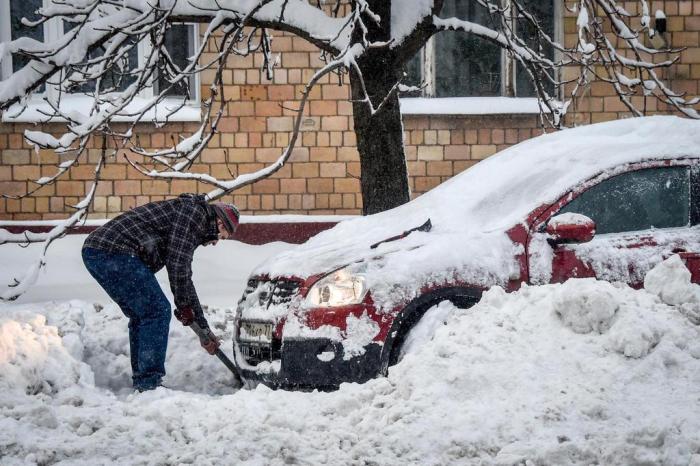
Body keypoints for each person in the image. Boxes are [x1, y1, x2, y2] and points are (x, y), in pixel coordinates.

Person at [81, 193, 240, 391]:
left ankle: (144, 380)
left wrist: (202, 326)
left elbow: (183, 276)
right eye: (220, 237)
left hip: (98, 252)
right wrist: (184, 308)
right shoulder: (194, 215)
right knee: (157, 310)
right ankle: (149, 384)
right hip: (113, 250)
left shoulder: (190, 215)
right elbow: (178, 267)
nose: (215, 242)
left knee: (143, 314)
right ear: (220, 223)